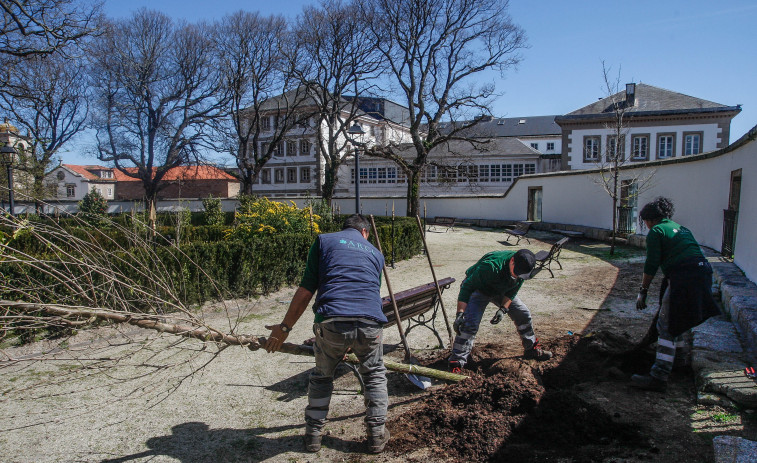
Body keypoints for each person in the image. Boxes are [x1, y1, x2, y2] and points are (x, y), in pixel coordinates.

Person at [264, 214, 390, 454]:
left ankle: (313, 435)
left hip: (332, 323)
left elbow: (306, 290)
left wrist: (284, 329)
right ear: (365, 233)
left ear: (345, 229)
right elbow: (368, 294)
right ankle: (376, 436)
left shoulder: (324, 241)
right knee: (374, 376)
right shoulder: (376, 253)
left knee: (322, 377)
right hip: (370, 324)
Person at [632, 197, 719, 392]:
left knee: (666, 324)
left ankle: (658, 376)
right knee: (678, 318)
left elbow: (651, 264)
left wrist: (643, 292)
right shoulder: (681, 228)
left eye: (644, 221)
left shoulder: (657, 231)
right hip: (702, 272)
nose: (645, 225)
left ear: (650, 219)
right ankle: (679, 362)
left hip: (684, 277)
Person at [448, 248, 552, 374]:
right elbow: (467, 287)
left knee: (523, 313)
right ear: (512, 261)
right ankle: (457, 362)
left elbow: (513, 290)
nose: (517, 276)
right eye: (516, 272)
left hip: (501, 289)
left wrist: (503, 309)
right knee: (470, 323)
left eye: (520, 275)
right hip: (479, 288)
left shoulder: (523, 267)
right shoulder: (491, 267)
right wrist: (460, 314)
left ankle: (531, 348)